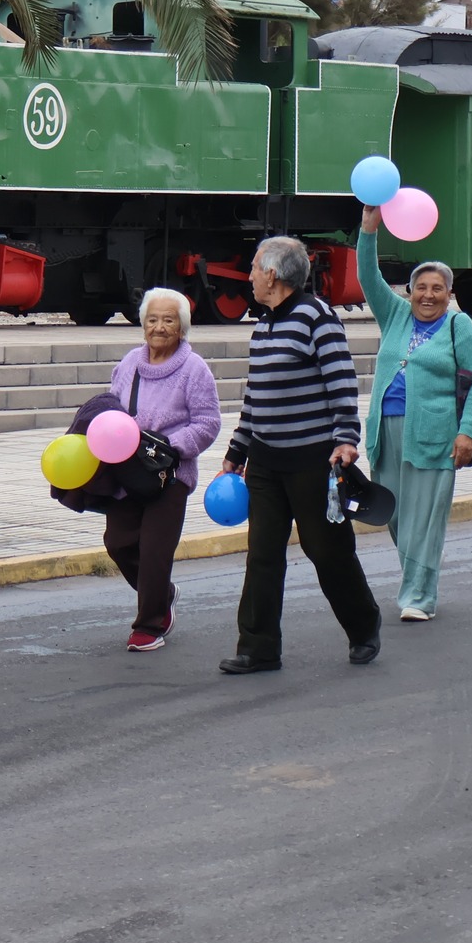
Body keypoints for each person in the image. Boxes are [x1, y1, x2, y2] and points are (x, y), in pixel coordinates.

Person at [218, 236, 382, 674]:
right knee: (263, 555)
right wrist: (238, 448)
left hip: (313, 461)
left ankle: (364, 626)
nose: (249, 275)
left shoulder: (317, 317)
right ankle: (258, 648)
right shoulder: (265, 322)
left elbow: (341, 382)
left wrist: (346, 438)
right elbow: (256, 395)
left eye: (254, 267)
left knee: (327, 551)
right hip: (267, 462)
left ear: (272, 274)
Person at [358, 208, 472, 622]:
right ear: (409, 291)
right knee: (393, 512)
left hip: (435, 434)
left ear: (449, 295)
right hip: (387, 431)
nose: (428, 295)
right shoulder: (394, 314)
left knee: (425, 520)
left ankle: (418, 595)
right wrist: (368, 229)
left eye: (437, 289)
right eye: (421, 287)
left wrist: (466, 432)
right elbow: (367, 277)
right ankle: (415, 580)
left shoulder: (458, 326)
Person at [102, 288, 221, 650]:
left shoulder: (194, 369)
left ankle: (149, 625)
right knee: (118, 544)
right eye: (152, 320)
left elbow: (208, 422)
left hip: (170, 474)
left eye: (168, 320)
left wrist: (173, 447)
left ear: (182, 327)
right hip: (127, 470)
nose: (159, 327)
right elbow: (111, 405)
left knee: (154, 551)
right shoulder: (128, 364)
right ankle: (163, 594)